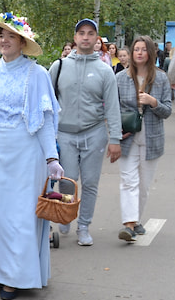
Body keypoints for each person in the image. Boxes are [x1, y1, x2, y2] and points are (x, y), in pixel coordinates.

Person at [0, 13, 62, 299]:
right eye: (0, 35)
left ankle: (14, 278)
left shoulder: (37, 74)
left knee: (19, 217)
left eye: (9, 36)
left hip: (26, 153)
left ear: (22, 41)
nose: (3, 40)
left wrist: (51, 158)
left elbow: (44, 121)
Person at [47, 19, 122, 247]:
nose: (86, 37)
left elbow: (112, 106)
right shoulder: (58, 67)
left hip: (94, 132)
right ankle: (67, 215)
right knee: (67, 181)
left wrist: (115, 139)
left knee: (90, 182)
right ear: (75, 37)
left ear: (97, 39)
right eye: (81, 33)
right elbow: (46, 102)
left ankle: (84, 227)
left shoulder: (104, 71)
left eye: (91, 33)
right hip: (65, 134)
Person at [115, 36, 173, 242]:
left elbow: (167, 111)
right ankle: (129, 225)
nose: (139, 53)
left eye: (143, 49)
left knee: (143, 185)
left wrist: (153, 102)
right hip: (127, 137)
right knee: (128, 181)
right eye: (135, 49)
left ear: (150, 53)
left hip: (151, 137)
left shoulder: (161, 78)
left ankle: (136, 220)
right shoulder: (121, 78)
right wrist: (115, 132)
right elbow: (113, 108)